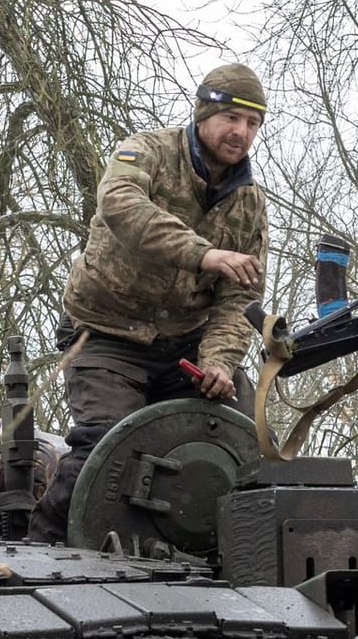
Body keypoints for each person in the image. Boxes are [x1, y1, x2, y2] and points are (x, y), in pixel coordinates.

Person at [27, 64, 271, 543]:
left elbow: (239, 296)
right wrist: (204, 253)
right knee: (105, 448)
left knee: (246, 443)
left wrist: (220, 361)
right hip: (105, 335)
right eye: (231, 117)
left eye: (253, 123)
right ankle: (38, 552)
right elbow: (120, 205)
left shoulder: (248, 203)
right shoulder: (147, 152)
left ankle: (230, 564)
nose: (240, 132)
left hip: (185, 346)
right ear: (203, 114)